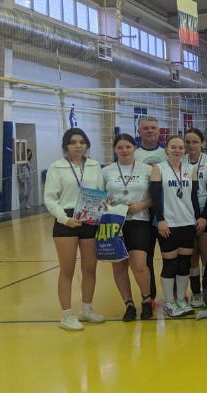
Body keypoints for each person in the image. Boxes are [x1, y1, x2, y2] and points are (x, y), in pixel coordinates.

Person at [44, 128, 105, 331]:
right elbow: (50, 198)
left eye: (81, 141)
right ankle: (66, 315)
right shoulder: (57, 167)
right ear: (66, 146)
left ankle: (86, 309)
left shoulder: (95, 165)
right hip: (66, 219)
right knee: (67, 270)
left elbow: (100, 191)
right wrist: (64, 219)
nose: (78, 145)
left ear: (86, 144)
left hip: (90, 217)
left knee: (90, 268)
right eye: (73, 142)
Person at [101, 134, 154, 321]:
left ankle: (146, 300)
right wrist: (105, 204)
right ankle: (128, 304)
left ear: (134, 148)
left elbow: (156, 196)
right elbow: (98, 196)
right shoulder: (106, 171)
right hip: (114, 222)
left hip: (139, 220)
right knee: (119, 267)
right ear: (114, 149)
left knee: (139, 265)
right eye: (120, 147)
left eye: (128, 147)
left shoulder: (147, 170)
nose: (124, 150)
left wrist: (141, 205)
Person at [150, 136, 200, 318]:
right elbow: (155, 197)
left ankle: (180, 299)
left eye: (180, 147)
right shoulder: (159, 169)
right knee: (170, 263)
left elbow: (193, 197)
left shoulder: (191, 169)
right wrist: (160, 219)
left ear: (184, 150)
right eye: (173, 147)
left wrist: (197, 217)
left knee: (184, 263)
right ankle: (169, 302)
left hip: (187, 222)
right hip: (168, 223)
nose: (177, 150)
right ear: (167, 149)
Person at [134, 116, 167, 299]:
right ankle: (150, 295)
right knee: (146, 257)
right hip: (143, 211)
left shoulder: (167, 153)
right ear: (139, 131)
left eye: (153, 127)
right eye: (146, 128)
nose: (150, 131)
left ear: (159, 131)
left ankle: (173, 293)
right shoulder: (134, 154)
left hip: (165, 211)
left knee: (170, 254)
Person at [185, 128, 207, 308]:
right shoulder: (180, 161)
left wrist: (204, 216)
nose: (191, 145)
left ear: (202, 143)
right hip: (186, 214)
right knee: (192, 255)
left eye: (195, 141)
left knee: (206, 253)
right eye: (188, 142)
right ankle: (196, 292)